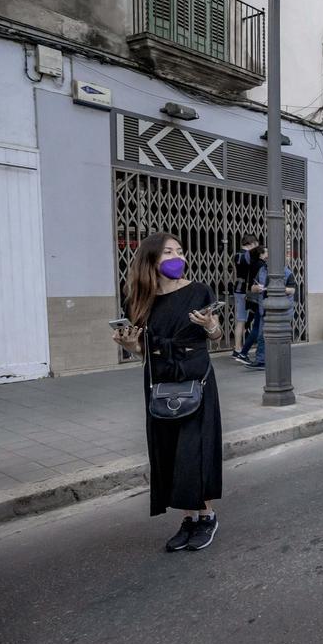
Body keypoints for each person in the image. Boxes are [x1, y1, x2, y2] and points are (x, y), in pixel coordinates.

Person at [112, 233, 223, 552]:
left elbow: (215, 337)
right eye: (168, 252)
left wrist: (210, 326)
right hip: (160, 381)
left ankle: (207, 516)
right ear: (151, 259)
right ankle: (188, 519)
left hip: (195, 377)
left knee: (195, 450)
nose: (177, 257)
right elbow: (143, 350)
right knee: (171, 452)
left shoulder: (199, 290)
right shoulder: (137, 299)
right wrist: (133, 346)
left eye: (180, 250)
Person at [243, 247, 297, 370]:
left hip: (281, 311)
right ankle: (261, 361)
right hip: (265, 308)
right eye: (267, 260)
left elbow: (292, 290)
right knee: (261, 335)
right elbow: (252, 287)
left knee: (280, 337)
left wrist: (275, 288)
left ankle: (280, 360)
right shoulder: (261, 270)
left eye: (269, 260)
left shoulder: (287, 273)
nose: (267, 261)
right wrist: (257, 288)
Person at [231, 235, 257, 358]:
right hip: (244, 291)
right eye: (256, 245)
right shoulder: (247, 255)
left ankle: (239, 348)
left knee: (242, 320)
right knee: (242, 320)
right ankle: (237, 349)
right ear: (251, 244)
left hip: (238, 288)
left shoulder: (237, 255)